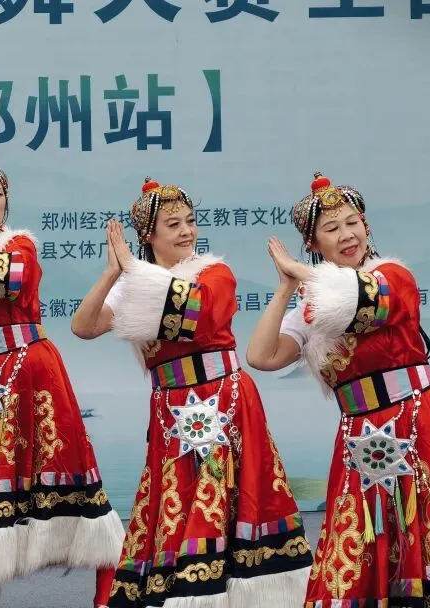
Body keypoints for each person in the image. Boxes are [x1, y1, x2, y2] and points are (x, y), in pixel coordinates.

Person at [71, 179, 312, 607]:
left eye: (190, 221)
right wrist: (113, 273)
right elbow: (84, 327)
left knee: (227, 500)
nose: (186, 231)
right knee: (176, 504)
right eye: (173, 224)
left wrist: (135, 273)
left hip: (223, 402)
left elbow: (194, 316)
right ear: (149, 235)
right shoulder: (133, 285)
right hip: (170, 408)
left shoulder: (213, 274)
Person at [245, 172, 430, 606]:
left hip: (421, 422)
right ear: (314, 242)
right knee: (358, 546)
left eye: (352, 223)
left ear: (366, 225)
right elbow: (261, 356)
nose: (347, 235)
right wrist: (286, 287)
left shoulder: (391, 275)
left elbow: (355, 301)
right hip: (362, 438)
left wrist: (302, 273)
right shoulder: (309, 308)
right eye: (332, 228)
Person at [0, 155, 124, 588]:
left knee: (67, 465)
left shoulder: (20, 246)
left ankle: (107, 591)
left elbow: (8, 282)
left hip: (31, 371)